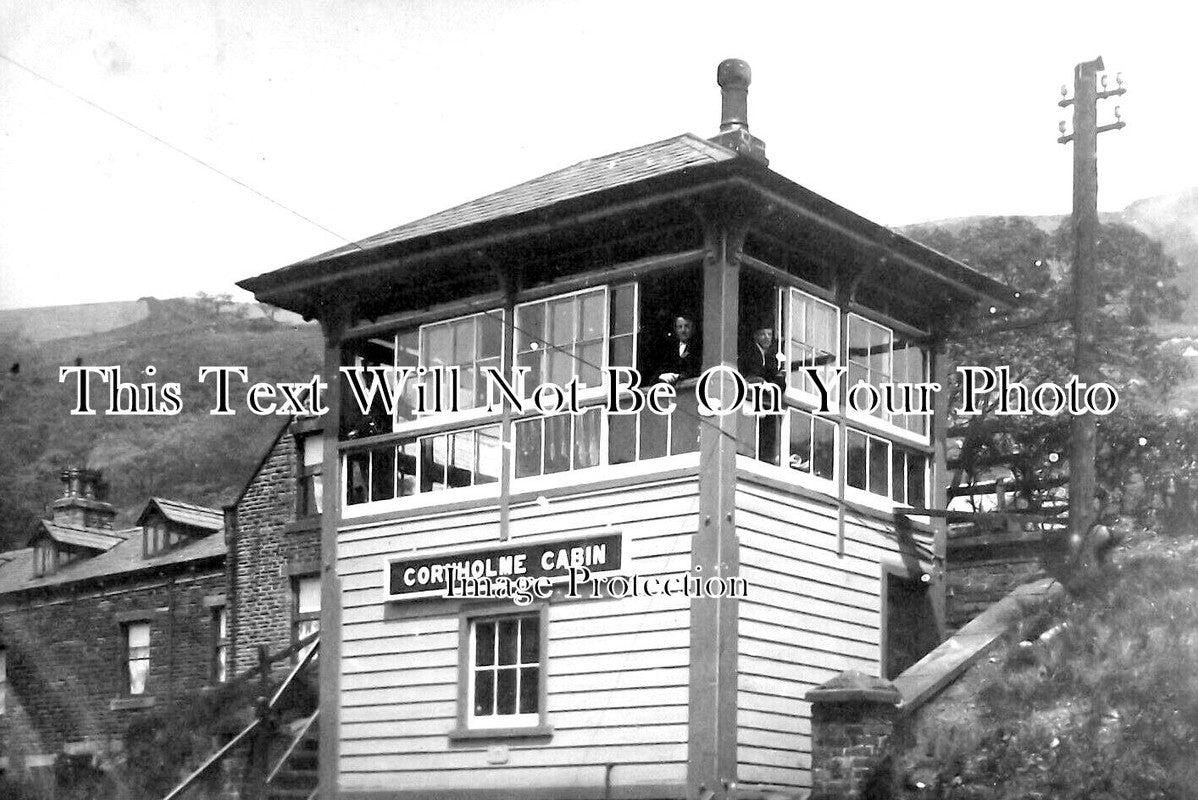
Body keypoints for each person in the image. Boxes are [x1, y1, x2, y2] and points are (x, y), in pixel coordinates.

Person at [653, 313, 701, 385]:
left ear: (693, 328)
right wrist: (661, 376)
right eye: (680, 327)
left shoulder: (699, 347)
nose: (683, 330)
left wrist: (678, 376)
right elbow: (660, 369)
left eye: (687, 326)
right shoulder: (669, 349)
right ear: (675, 330)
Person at [739, 320, 785, 386]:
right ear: (755, 336)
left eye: (769, 334)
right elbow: (753, 375)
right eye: (763, 334)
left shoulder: (769, 356)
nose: (767, 337)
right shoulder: (750, 351)